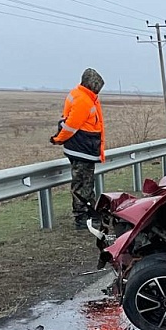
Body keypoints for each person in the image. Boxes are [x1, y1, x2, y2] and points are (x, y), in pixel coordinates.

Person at [51, 68, 105, 230]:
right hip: (82, 149)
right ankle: (83, 218)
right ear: (91, 85)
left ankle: (89, 215)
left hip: (84, 148)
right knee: (82, 184)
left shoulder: (84, 96)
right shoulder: (83, 100)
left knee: (85, 183)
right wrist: (58, 139)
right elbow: (71, 126)